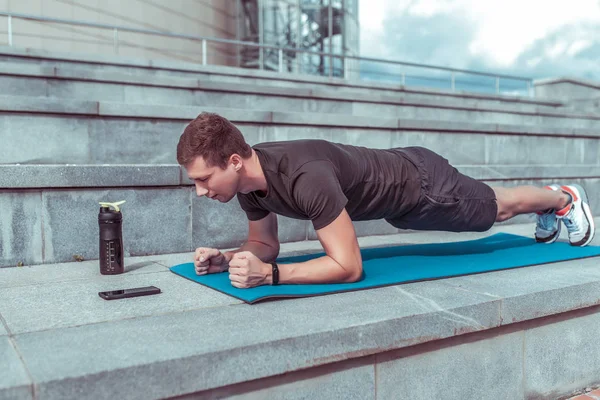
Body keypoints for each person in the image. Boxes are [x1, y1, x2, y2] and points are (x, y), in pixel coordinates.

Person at [176, 112, 595, 289]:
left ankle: (561, 198)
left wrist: (272, 277)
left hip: (423, 185)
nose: (200, 190)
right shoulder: (250, 183)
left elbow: (348, 266)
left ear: (233, 161)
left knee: (495, 207)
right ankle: (550, 204)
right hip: (400, 200)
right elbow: (265, 246)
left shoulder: (304, 175)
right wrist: (230, 258)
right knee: (494, 202)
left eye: (203, 179)